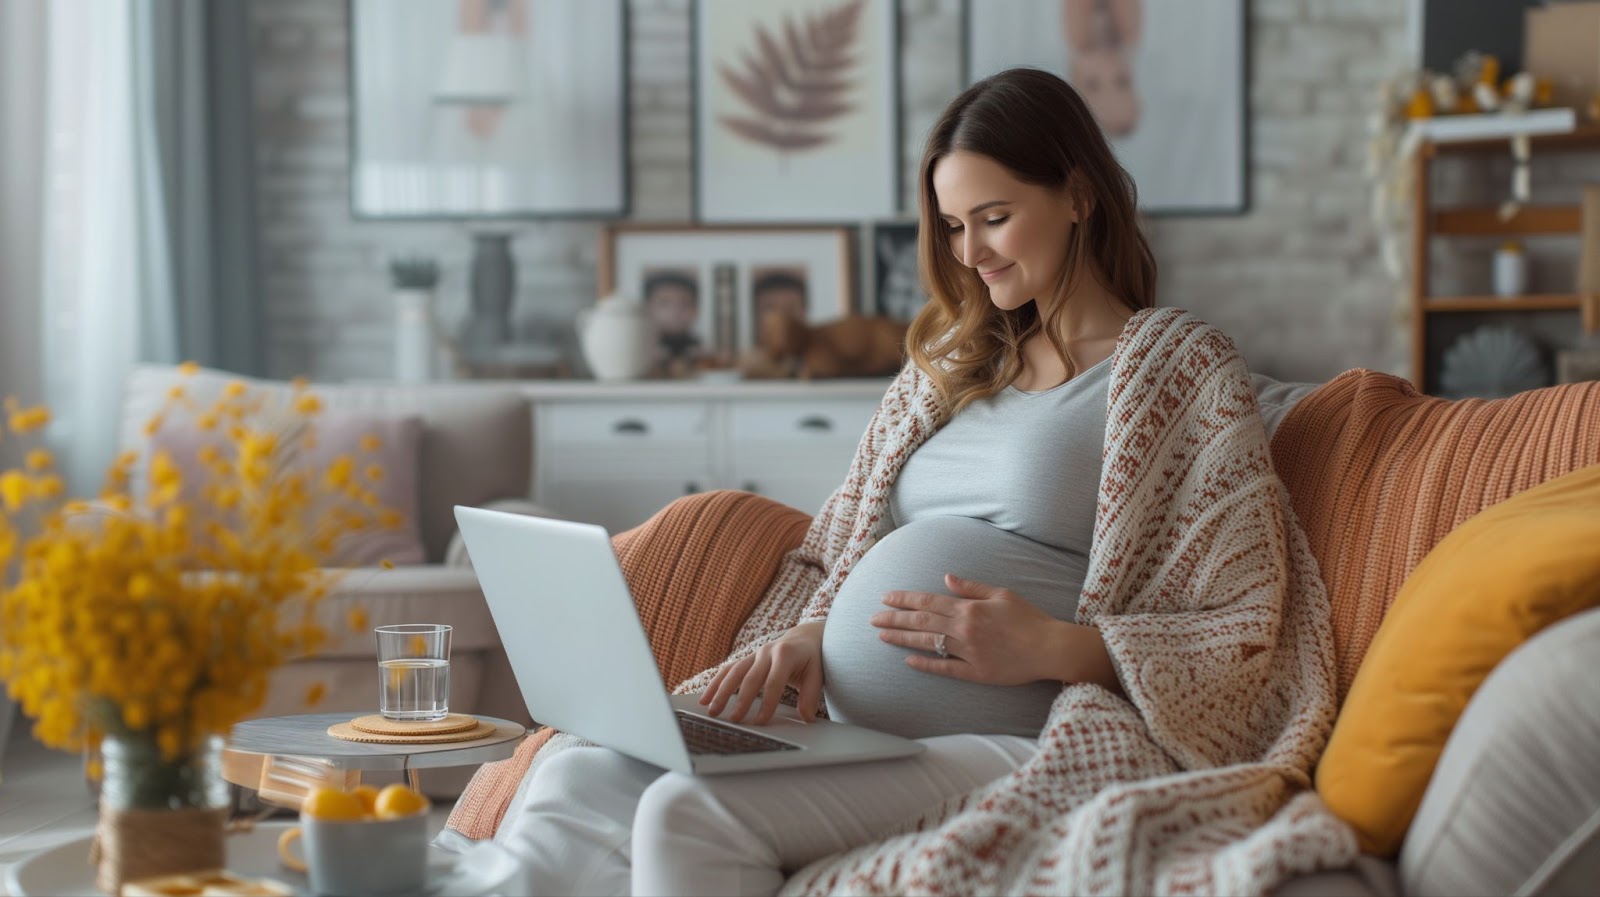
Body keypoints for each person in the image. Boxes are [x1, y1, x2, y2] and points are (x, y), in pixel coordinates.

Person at [491, 67, 1340, 896]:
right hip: (846, 727)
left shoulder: (1179, 365)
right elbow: (836, 547)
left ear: (1079, 196)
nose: (970, 253)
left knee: (686, 809)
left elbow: (1239, 628)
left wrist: (1055, 647)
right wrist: (813, 632)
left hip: (1022, 736)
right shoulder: (948, 368)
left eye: (995, 217)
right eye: (952, 226)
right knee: (578, 779)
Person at [642, 269, 703, 369]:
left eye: (685, 304)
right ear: (648, 306)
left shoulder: (700, 350)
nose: (676, 311)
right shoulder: (643, 348)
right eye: (665, 303)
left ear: (695, 309)